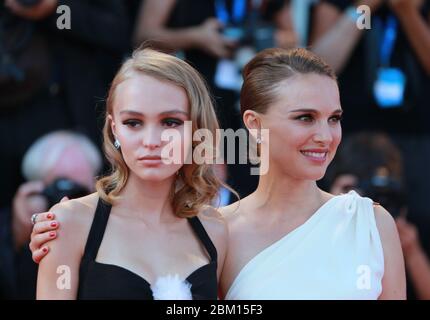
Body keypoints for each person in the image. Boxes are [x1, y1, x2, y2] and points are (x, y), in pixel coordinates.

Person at [31, 48, 405, 300]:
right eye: (305, 117)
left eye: (334, 118)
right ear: (254, 126)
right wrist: (63, 223)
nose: (324, 135)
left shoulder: (369, 224)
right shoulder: (220, 231)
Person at [33, 48, 228, 299]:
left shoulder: (215, 230)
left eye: (170, 122)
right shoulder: (70, 223)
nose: (151, 141)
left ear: (196, 129)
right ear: (115, 130)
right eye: (133, 123)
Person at [0, 130, 101, 299]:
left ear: (95, 187)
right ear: (36, 190)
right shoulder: (12, 225)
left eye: (77, 194)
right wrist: (17, 234)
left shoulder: (111, 222)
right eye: (58, 189)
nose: (65, 203)